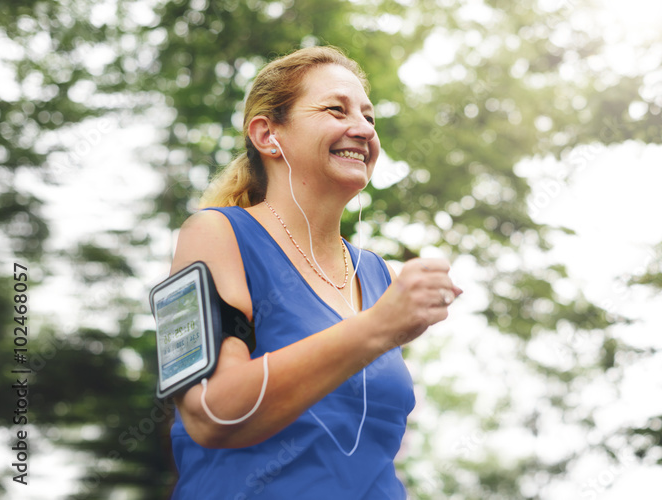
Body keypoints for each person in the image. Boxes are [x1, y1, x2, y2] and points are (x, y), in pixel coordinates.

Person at [165, 45, 461, 499]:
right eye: (335, 110)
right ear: (267, 135)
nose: (362, 129)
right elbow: (211, 414)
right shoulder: (211, 235)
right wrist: (377, 328)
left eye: (369, 117)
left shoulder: (380, 276)